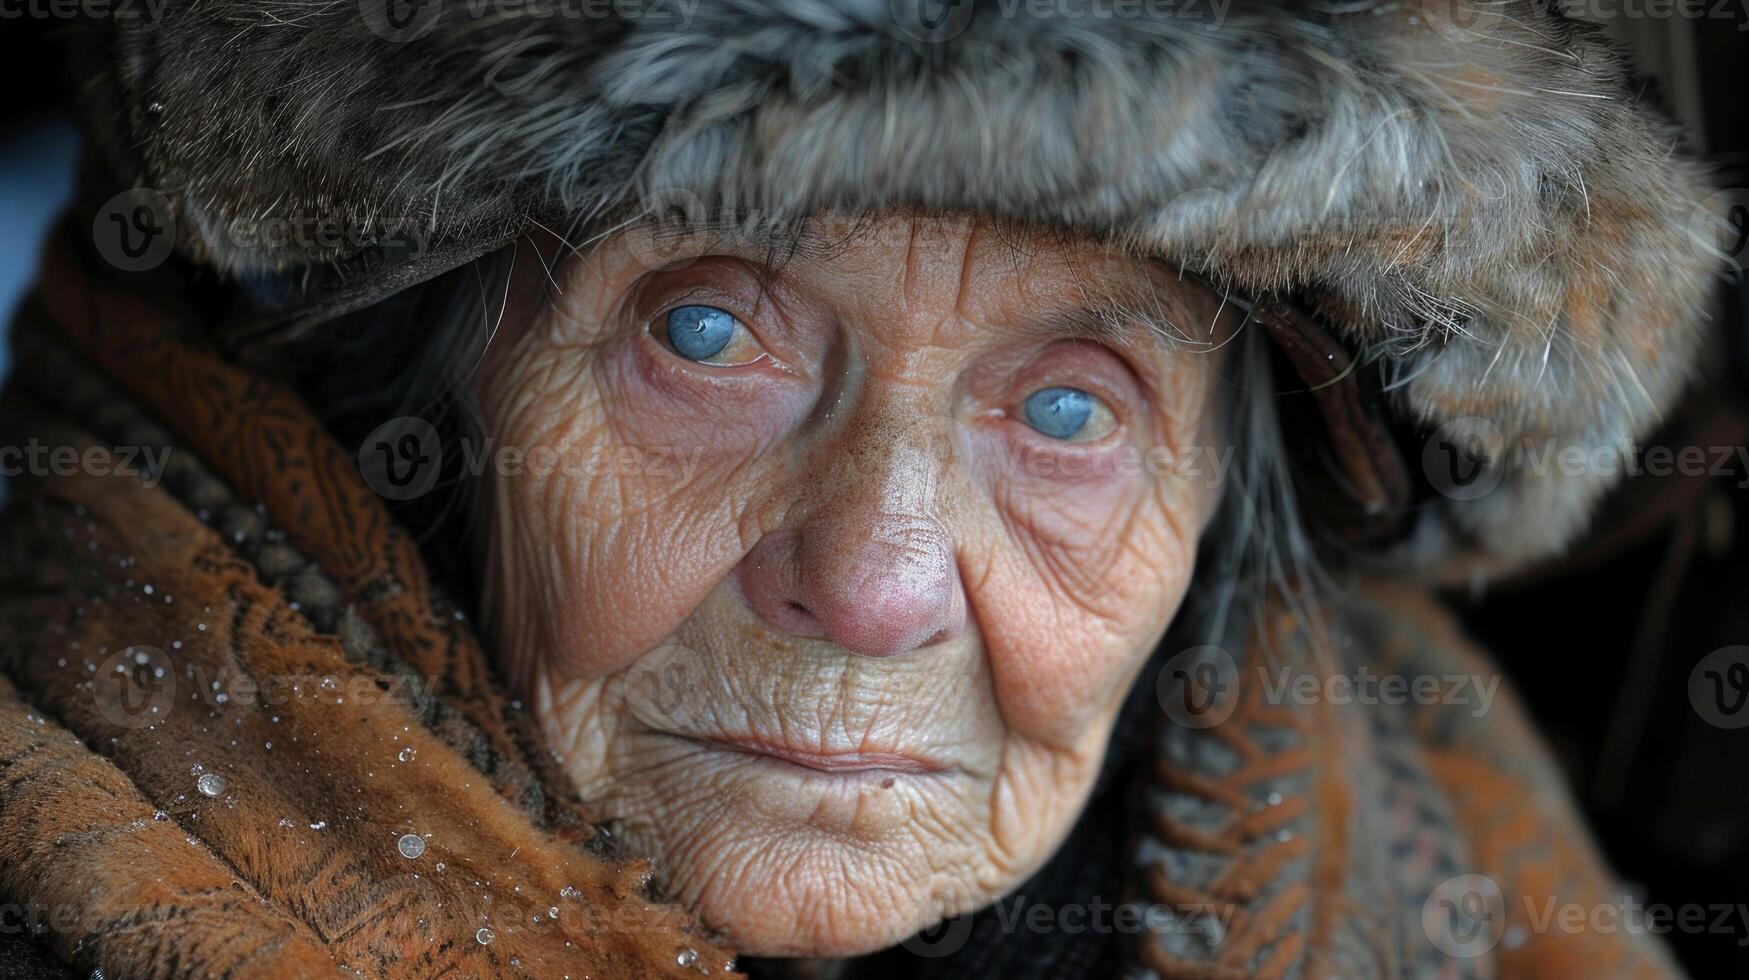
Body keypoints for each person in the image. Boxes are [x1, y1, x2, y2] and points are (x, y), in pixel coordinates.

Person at [0, 2, 1720, 977]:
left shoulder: (1468, 892)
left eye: (1066, 408)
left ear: (1217, 515)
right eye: (704, 331)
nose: (877, 582)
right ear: (424, 399)